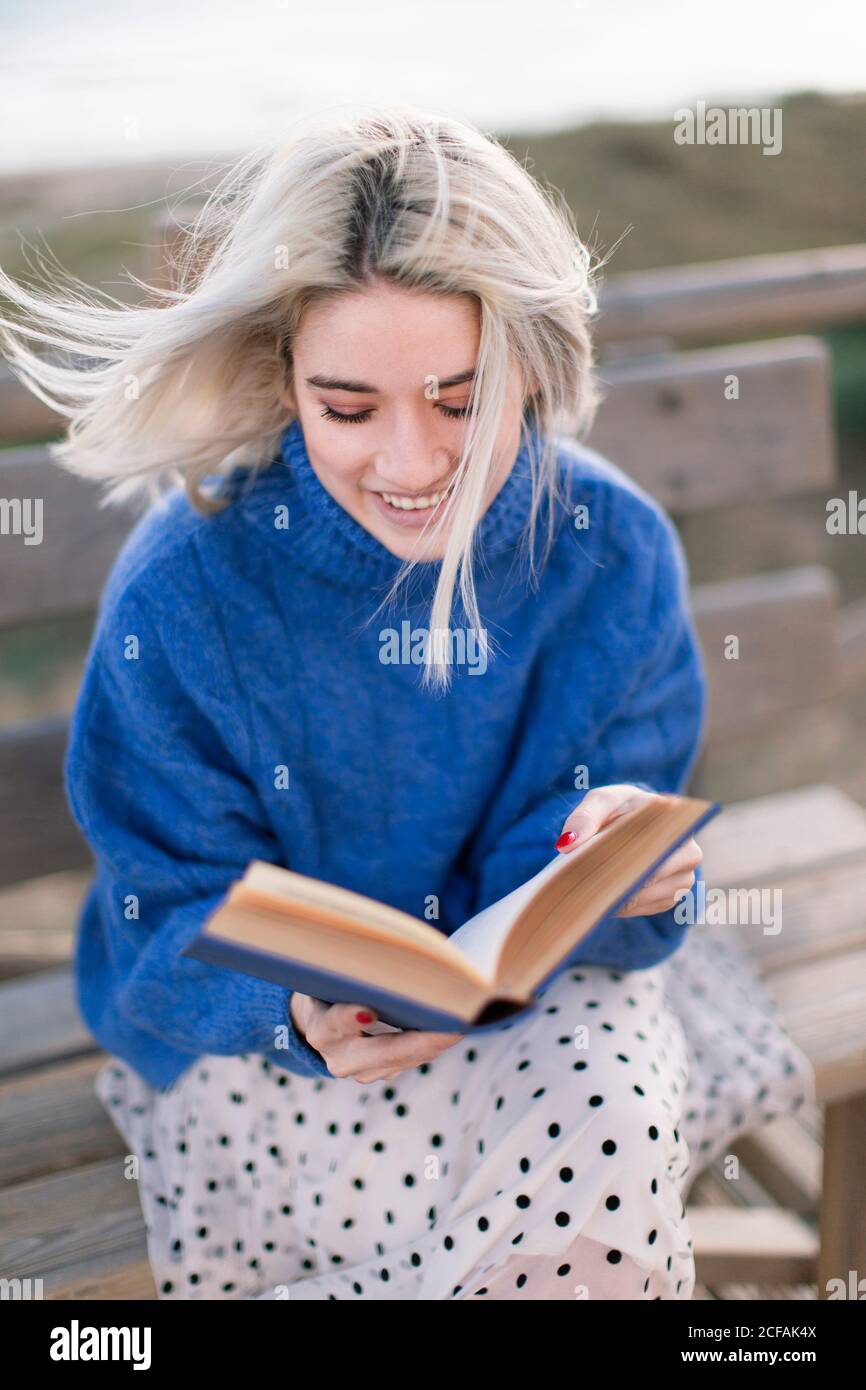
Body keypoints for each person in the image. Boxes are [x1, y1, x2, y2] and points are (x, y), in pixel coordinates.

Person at [0, 103, 814, 1300]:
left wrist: (609, 857)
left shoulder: (609, 550)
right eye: (347, 407)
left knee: (592, 1164)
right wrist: (293, 1004)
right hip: (273, 1055)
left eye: (458, 400)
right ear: (282, 376)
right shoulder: (186, 590)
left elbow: (587, 876)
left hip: (541, 1010)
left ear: (534, 363)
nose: (410, 462)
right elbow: (163, 918)